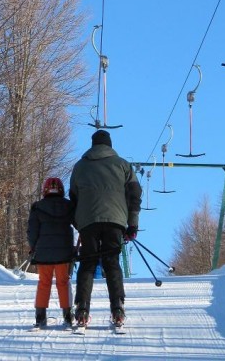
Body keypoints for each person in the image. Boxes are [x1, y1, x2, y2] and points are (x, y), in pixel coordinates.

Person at [69, 129, 142, 327]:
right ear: (110, 145)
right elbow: (135, 196)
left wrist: (79, 222)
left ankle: (82, 309)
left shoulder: (80, 166)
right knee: (111, 263)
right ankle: (117, 308)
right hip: (115, 221)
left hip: (88, 222)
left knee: (87, 264)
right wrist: (132, 224)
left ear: (92, 145)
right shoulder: (123, 165)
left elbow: (73, 198)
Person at [27, 177, 76, 329]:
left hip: (43, 252)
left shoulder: (37, 207)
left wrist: (33, 247)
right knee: (63, 282)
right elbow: (78, 224)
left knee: (44, 282)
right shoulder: (69, 206)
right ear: (61, 189)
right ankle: (68, 316)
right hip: (64, 252)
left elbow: (32, 231)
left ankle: (40, 317)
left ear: (45, 190)